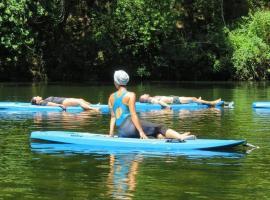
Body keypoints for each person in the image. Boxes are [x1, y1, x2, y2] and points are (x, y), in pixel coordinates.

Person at [108, 70, 195, 140]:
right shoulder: (130, 95)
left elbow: (113, 117)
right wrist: (141, 132)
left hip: (122, 131)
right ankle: (180, 137)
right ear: (126, 81)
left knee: (153, 132)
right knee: (160, 127)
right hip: (130, 126)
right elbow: (133, 115)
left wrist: (111, 134)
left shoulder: (111, 97)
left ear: (116, 82)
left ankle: (168, 138)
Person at [139, 94, 222, 109]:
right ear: (144, 99)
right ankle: (212, 103)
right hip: (175, 100)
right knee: (193, 98)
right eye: (143, 95)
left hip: (174, 98)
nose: (145, 94)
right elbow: (159, 101)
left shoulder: (151, 98)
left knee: (192, 99)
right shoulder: (152, 99)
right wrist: (167, 106)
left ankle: (199, 101)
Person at [30, 96, 100, 111]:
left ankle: (92, 105)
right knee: (79, 102)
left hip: (64, 99)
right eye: (36, 97)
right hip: (62, 102)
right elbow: (50, 104)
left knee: (81, 99)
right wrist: (60, 105)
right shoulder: (43, 103)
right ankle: (94, 109)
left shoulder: (43, 100)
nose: (38, 96)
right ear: (37, 101)